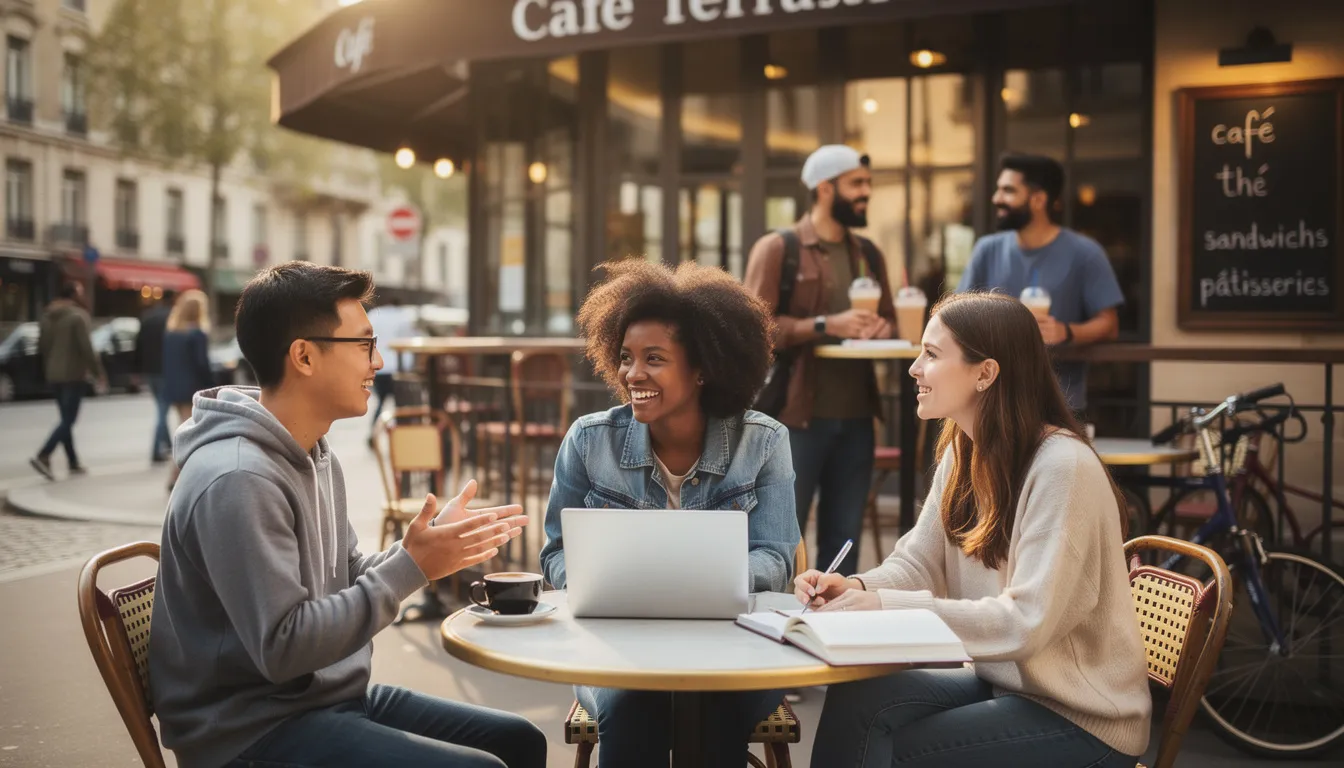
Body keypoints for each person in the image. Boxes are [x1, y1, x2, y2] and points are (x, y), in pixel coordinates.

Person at [147, 261, 544, 768]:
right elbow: (283, 647)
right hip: (250, 732)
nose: (377, 361)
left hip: (321, 702)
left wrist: (424, 550)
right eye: (363, 344)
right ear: (304, 356)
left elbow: (347, 573)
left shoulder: (313, 451)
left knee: (520, 741)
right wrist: (412, 568)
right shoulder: (239, 479)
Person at [799, 291, 1151, 768]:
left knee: (904, 752)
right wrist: (857, 586)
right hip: (1010, 683)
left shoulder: (1062, 468)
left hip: (1084, 717)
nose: (914, 369)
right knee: (859, 699)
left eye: (932, 354)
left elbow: (1024, 622)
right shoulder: (963, 453)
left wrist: (882, 604)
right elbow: (918, 563)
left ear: (985, 373)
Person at [539, 259, 800, 768]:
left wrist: (696, 582)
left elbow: (776, 557)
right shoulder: (590, 441)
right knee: (633, 706)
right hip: (618, 649)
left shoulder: (764, 442)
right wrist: (596, 581)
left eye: (654, 358)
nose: (633, 374)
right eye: (626, 357)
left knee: (718, 707)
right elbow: (556, 553)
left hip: (733, 649)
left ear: (702, 368)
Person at [744, 143, 898, 577]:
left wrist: (883, 327)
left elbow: (887, 316)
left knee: (843, 546)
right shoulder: (778, 248)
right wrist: (827, 324)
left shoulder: (867, 253)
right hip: (795, 422)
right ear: (825, 189)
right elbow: (755, 329)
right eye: (857, 184)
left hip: (857, 420)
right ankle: (772, 626)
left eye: (867, 183)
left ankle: (836, 626)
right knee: (780, 538)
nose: (866, 191)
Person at [957, 153, 1124, 418]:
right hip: (991, 400)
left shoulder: (1085, 253)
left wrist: (1065, 331)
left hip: (1057, 403)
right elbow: (957, 316)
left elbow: (1109, 324)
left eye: (1008, 190)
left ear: (1038, 199)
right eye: (998, 189)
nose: (996, 198)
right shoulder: (986, 250)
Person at [29, 281, 105, 480]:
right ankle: (44, 454)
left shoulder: (47, 316)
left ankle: (72, 462)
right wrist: (99, 373)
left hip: (54, 374)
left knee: (65, 419)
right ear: (73, 295)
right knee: (68, 420)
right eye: (80, 291)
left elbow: (42, 346)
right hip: (74, 374)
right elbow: (87, 349)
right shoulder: (78, 317)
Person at [161, 290, 217, 490]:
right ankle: (175, 476)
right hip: (192, 388)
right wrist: (213, 386)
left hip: (174, 388)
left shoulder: (172, 333)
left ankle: (177, 475)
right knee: (188, 434)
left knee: (182, 430)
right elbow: (202, 364)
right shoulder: (197, 334)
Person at [365, 297, 417, 446]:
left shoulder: (375, 314)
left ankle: (374, 434)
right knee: (400, 405)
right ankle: (401, 436)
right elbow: (412, 339)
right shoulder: (404, 316)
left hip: (379, 367)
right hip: (399, 367)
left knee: (381, 402)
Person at [135, 295, 172, 463]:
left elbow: (138, 345)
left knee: (160, 408)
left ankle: (168, 443)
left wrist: (136, 371)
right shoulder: (172, 318)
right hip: (165, 370)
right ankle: (157, 450)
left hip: (149, 370)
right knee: (162, 411)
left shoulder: (147, 317)